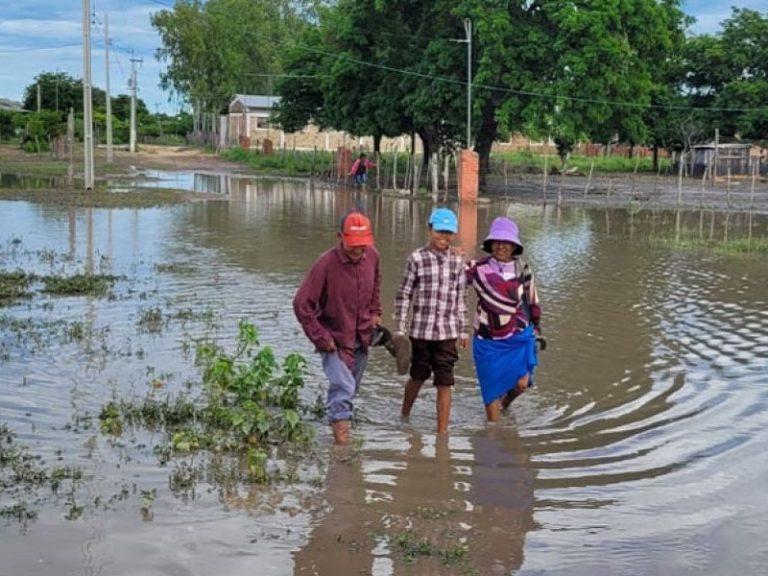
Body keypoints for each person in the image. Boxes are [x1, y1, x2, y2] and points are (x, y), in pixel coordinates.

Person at [293, 211, 382, 445]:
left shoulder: (373, 257)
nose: (358, 251)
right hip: (334, 339)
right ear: (339, 237)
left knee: (350, 390)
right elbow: (302, 304)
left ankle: (336, 423)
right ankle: (342, 448)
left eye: (363, 246)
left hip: (362, 336)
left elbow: (376, 286)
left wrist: (375, 313)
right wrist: (321, 338)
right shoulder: (325, 264)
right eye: (353, 246)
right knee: (343, 387)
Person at [393, 207, 468, 434]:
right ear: (429, 229)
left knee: (445, 381)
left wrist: (463, 330)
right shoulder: (416, 258)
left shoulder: (458, 261)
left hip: (447, 332)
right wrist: (400, 329)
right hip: (420, 332)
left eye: (449, 233)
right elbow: (404, 293)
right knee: (417, 376)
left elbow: (461, 298)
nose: (444, 237)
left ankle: (442, 433)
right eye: (440, 232)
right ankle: (404, 416)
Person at [466, 217, 541, 422]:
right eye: (497, 241)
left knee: (522, 384)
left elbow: (532, 300)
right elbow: (449, 277)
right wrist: (451, 255)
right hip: (487, 338)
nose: (501, 246)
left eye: (506, 242)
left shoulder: (523, 269)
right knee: (491, 393)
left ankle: (505, 404)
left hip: (517, 335)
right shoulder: (476, 268)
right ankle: (493, 437)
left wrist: (537, 326)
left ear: (514, 245)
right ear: (490, 244)